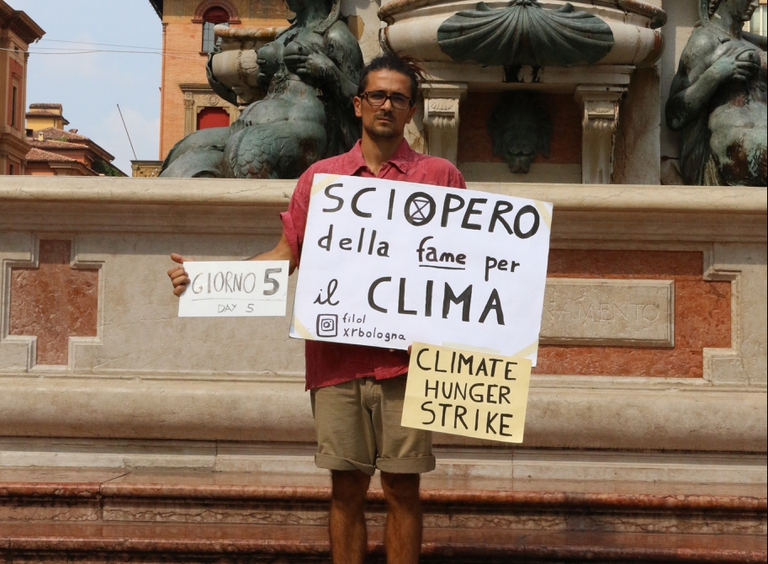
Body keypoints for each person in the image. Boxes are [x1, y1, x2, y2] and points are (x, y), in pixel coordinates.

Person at [168, 53, 466, 564]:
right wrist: (207, 279)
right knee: (346, 488)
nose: (387, 106)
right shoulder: (321, 180)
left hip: (411, 364)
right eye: (377, 95)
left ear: (412, 110)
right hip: (335, 360)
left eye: (398, 97)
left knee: (403, 489)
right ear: (357, 104)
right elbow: (287, 257)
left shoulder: (441, 178)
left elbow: (465, 269)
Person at [160, 0, 363, 179]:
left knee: (249, 152)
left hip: (306, 131)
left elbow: (363, 102)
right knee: (187, 149)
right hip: (253, 123)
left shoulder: (335, 34)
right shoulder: (286, 34)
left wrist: (327, 70)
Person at [666, 0, 766, 186]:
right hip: (734, 153)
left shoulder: (750, 44)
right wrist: (716, 73)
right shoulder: (705, 41)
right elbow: (673, 116)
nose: (754, 2)